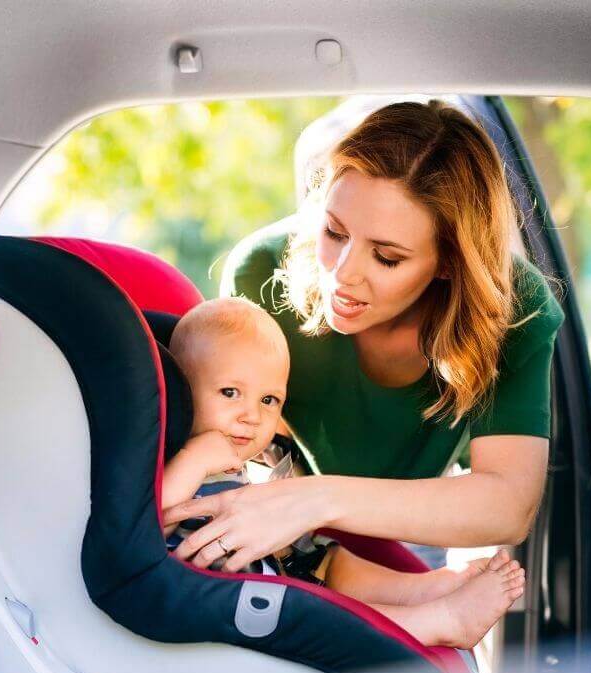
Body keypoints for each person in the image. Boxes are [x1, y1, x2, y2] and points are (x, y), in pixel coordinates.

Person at [164, 100, 564, 589]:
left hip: (412, 515)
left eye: (388, 258)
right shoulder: (261, 271)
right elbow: (231, 434)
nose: (342, 274)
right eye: (334, 231)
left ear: (447, 263)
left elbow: (507, 504)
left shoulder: (515, 311)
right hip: (278, 499)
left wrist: (315, 499)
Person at [163, 296, 526, 649]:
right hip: (238, 600)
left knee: (331, 559)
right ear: (181, 389)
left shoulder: (258, 457)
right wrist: (195, 459)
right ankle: (438, 621)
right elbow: (145, 524)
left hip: (280, 567)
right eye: (230, 392)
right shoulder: (173, 454)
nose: (252, 416)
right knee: (313, 608)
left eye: (268, 400)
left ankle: (423, 589)